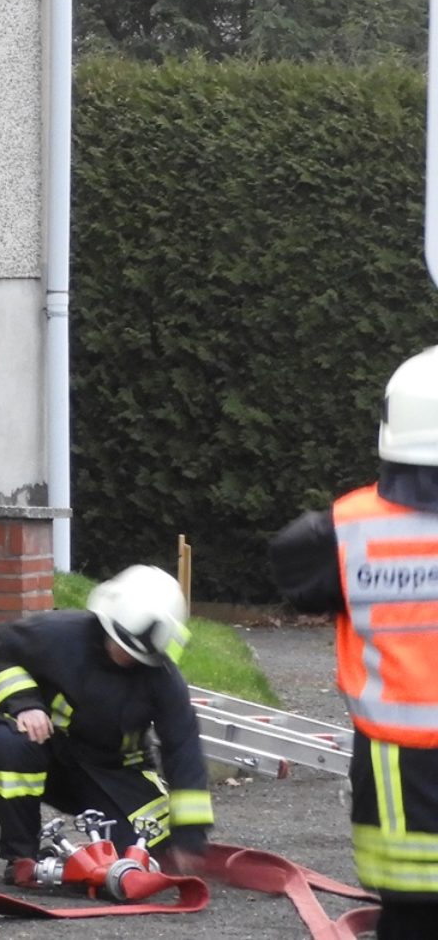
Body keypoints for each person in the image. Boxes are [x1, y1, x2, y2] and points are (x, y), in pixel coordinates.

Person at [269, 346, 438, 940]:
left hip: (397, 771)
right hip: (398, 766)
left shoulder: (340, 531)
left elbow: (295, 579)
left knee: (411, 915)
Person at [0, 564, 214, 886]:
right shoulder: (62, 634)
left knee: (147, 851)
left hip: (116, 772)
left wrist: (189, 837)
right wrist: (25, 704)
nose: (126, 657)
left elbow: (183, 750)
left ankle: (87, 854)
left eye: (137, 654)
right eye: (120, 644)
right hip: (53, 755)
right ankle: (22, 858)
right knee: (9, 743)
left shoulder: (163, 679)